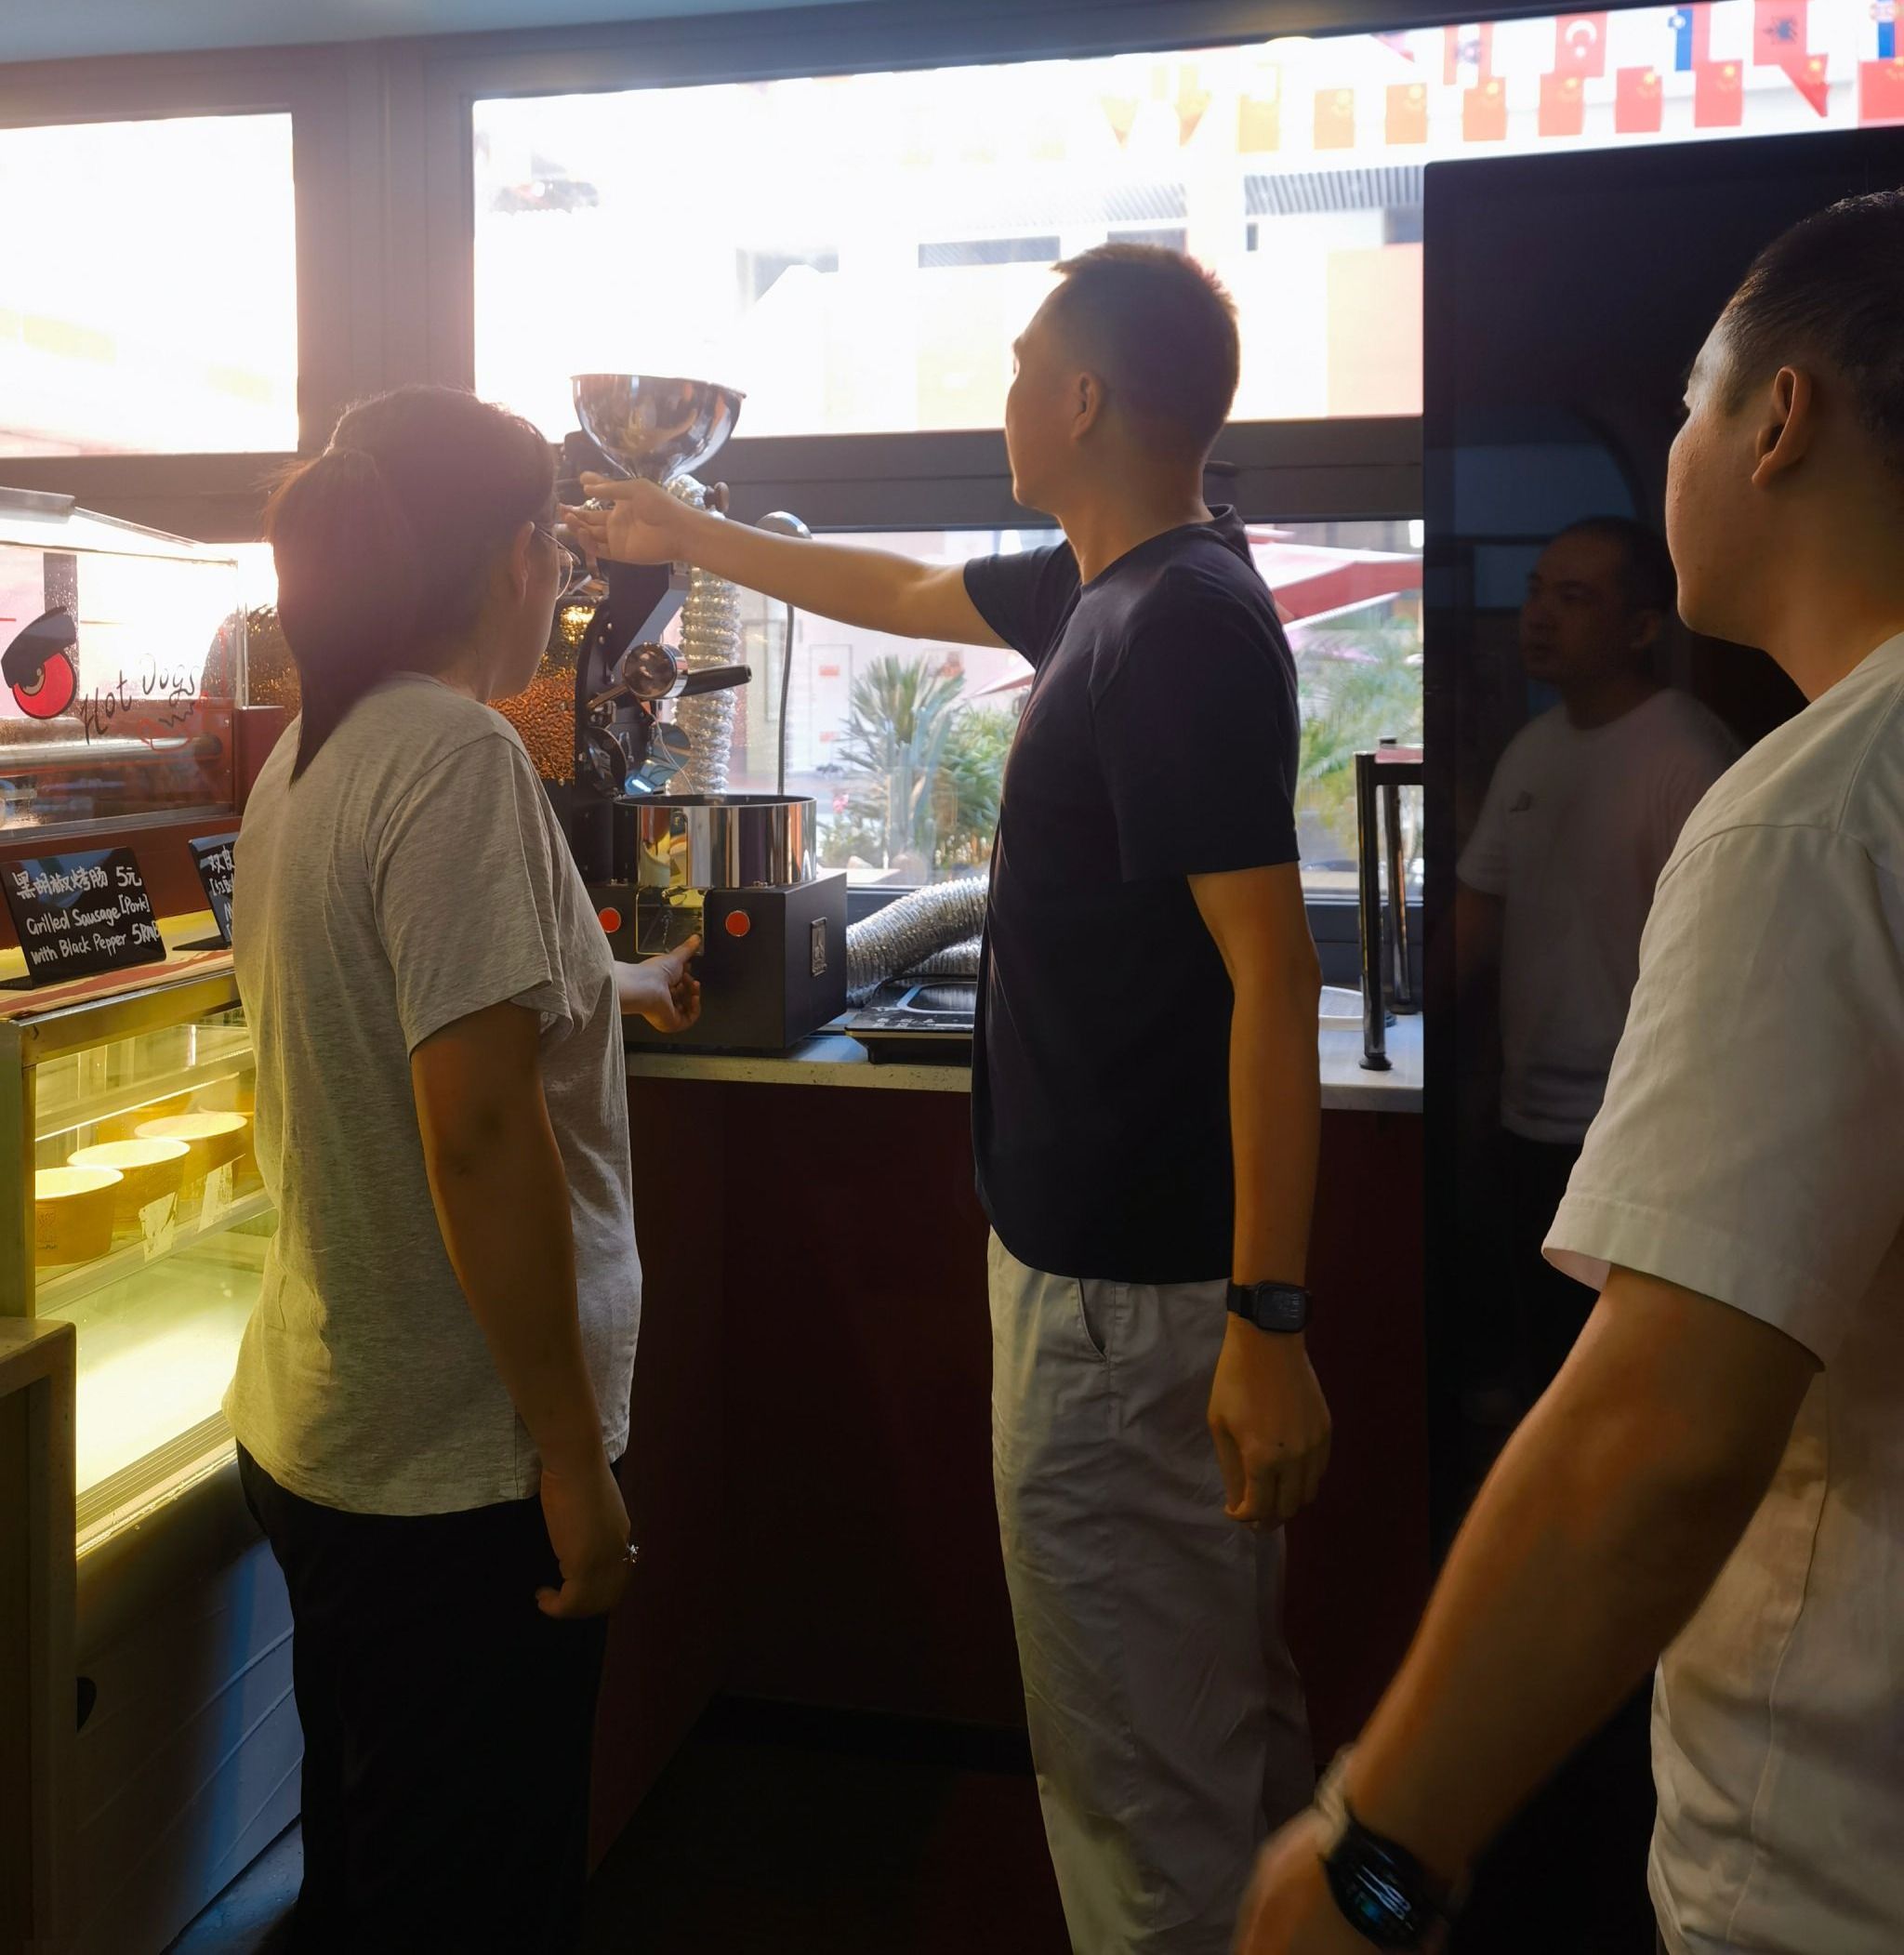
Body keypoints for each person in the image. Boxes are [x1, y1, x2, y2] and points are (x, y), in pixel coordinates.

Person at [567, 243, 1329, 1953]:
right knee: (1208, 1737)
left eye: (1017, 369)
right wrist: (681, 531)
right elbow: (901, 591)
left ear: (1082, 398)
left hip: (1130, 1305)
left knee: (1138, 1789)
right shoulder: (1111, 588)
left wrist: (1267, 1319)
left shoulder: (1177, 627)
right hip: (1107, 1285)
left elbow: (1274, 975)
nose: (1002, 399)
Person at [1236, 190, 1904, 1955]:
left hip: (1838, 1849)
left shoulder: (1806, 813)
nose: (1675, 444)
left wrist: (1374, 1847)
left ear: (1779, 419)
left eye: (1689, 401)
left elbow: (1655, 1438)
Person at [229, 385, 702, 1952]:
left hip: (336, 1428)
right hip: (460, 1474)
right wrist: (570, 1459)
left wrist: (615, 981)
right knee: (474, 1902)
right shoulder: (456, 755)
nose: (562, 582)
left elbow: (418, 988)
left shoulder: (318, 748)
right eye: (556, 547)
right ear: (512, 556)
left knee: (372, 1874)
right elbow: (477, 1128)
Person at [1458, 520, 1739, 1396]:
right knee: (1547, 1364)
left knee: (1623, 1392)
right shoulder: (1533, 750)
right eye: (1537, 591)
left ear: (1643, 627)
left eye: (1574, 598)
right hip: (1528, 1121)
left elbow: (1728, 969)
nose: (1539, 615)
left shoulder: (1688, 758)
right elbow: (1478, 918)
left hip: (1638, 1138)